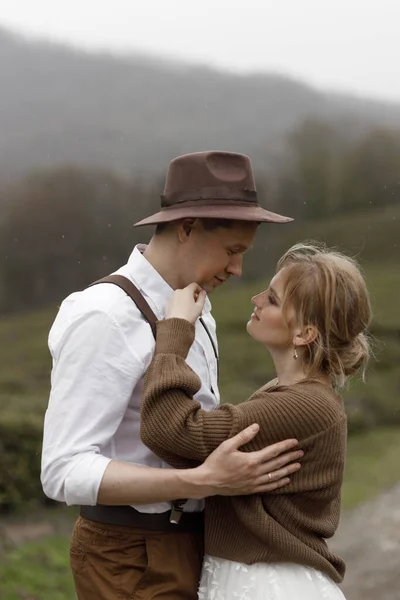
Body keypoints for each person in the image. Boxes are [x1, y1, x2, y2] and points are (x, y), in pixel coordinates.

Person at [41, 151, 302, 600]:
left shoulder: (198, 307)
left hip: (197, 546)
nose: (237, 270)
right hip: (130, 557)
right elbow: (63, 470)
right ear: (187, 228)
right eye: (232, 251)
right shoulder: (104, 315)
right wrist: (200, 482)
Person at [140, 241, 373, 599]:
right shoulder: (293, 395)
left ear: (304, 334)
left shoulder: (304, 406)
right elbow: (192, 448)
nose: (256, 299)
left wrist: (174, 331)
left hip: (268, 587)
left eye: (273, 299)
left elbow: (170, 430)